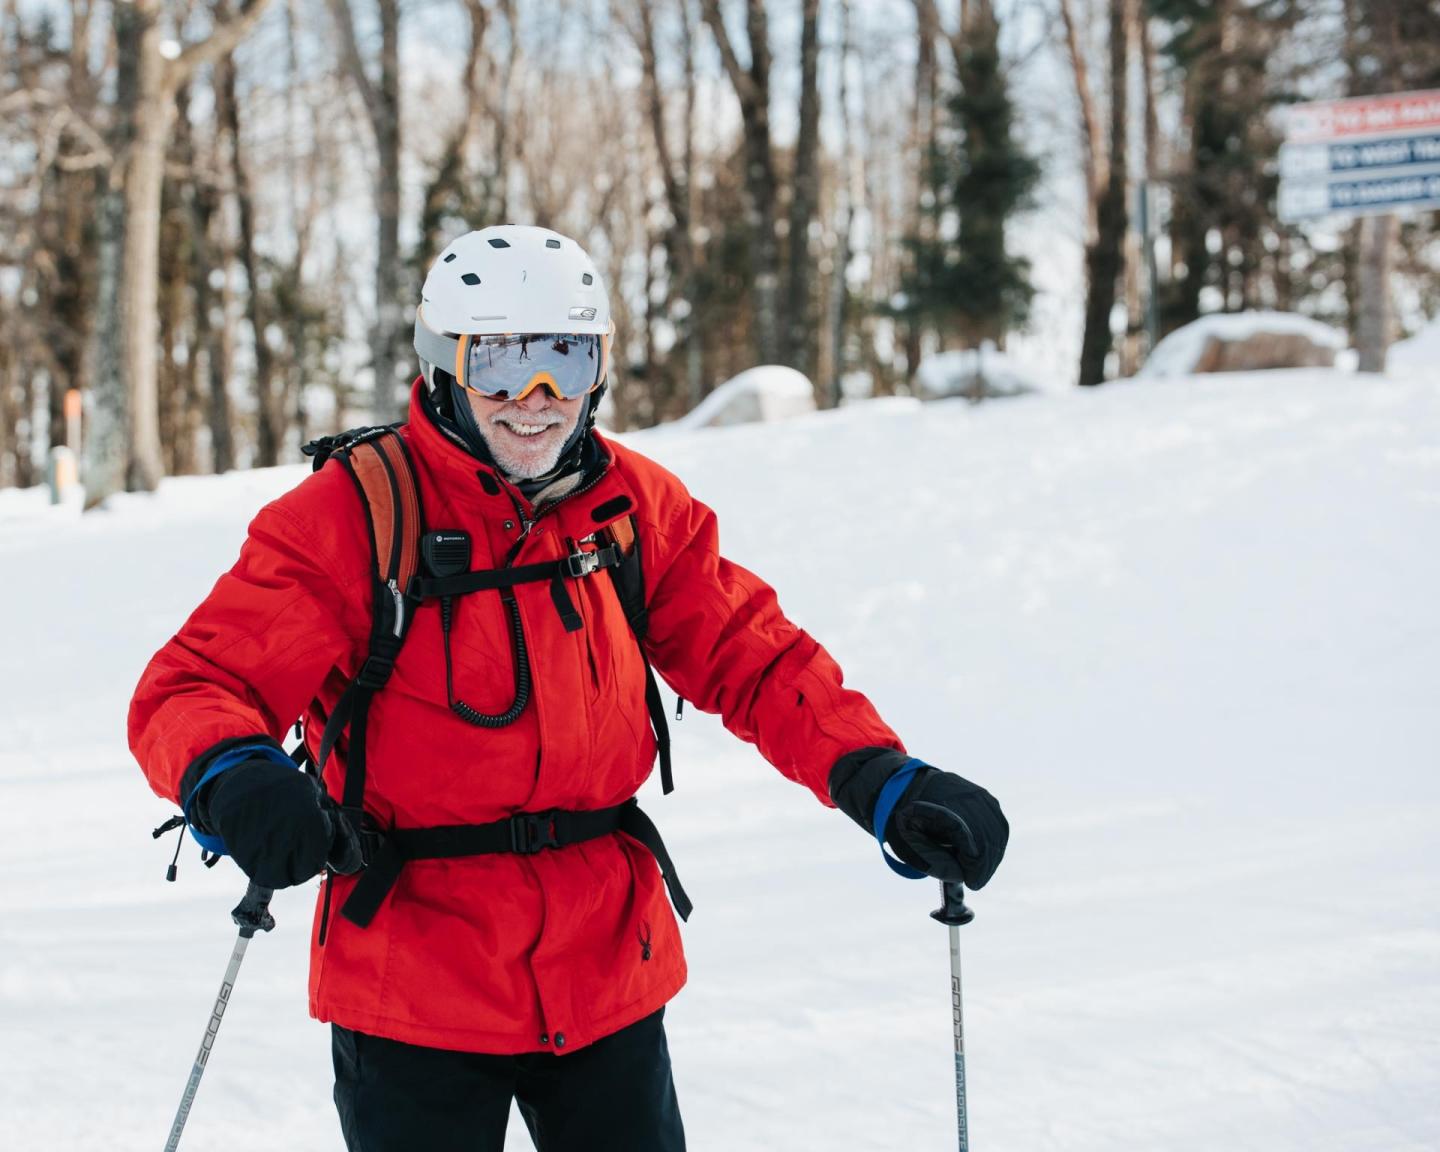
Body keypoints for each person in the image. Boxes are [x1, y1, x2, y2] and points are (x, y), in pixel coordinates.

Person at [129, 224, 1008, 1152]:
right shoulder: (356, 514)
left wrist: (877, 777)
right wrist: (232, 773)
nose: (538, 399)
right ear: (445, 365)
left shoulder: (632, 506)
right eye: (503, 364)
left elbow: (754, 654)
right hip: (415, 974)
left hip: (604, 966)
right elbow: (195, 683)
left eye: (567, 359)